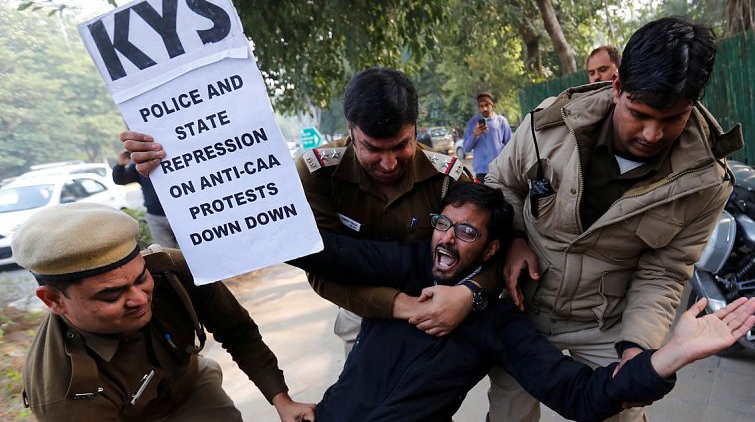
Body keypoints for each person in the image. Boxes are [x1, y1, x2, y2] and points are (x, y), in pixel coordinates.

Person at [289, 182, 755, 421]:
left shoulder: (499, 325)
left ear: (493, 249)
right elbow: (327, 254)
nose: (447, 240)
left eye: (467, 232)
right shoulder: (406, 264)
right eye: (443, 224)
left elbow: (580, 395)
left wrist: (668, 358)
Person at [119, 67, 494, 357]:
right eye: (372, 148)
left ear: (416, 130)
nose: (388, 162)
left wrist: (469, 295)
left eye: (401, 145)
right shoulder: (317, 174)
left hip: (445, 308)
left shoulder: (448, 179)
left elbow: (491, 252)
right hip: (363, 309)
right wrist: (173, 159)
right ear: (350, 131)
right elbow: (321, 268)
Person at [485, 17, 745, 422]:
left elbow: (666, 270)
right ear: (617, 87)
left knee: (622, 411)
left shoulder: (706, 182)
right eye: (639, 114)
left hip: (607, 321)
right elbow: (501, 183)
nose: (652, 134)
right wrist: (515, 236)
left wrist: (637, 348)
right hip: (524, 311)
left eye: (672, 119)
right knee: (509, 416)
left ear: (692, 106)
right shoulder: (549, 128)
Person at [12, 203, 315, 422]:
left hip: (189, 383)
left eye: (140, 279)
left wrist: (282, 399)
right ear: (54, 300)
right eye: (111, 294)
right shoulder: (62, 390)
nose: (138, 299)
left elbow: (238, 331)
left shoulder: (171, 271)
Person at [113, 150, 178, 248]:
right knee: (170, 254)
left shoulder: (175, 159)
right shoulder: (140, 166)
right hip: (156, 217)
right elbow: (120, 179)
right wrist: (120, 164)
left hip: (179, 213)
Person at [462, 91, 512, 183]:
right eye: (481, 106)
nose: (484, 108)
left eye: (487, 105)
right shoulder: (473, 122)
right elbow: (466, 148)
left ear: (492, 105)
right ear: (478, 108)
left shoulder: (501, 121)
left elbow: (511, 145)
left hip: (498, 170)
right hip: (480, 171)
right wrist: (475, 134)